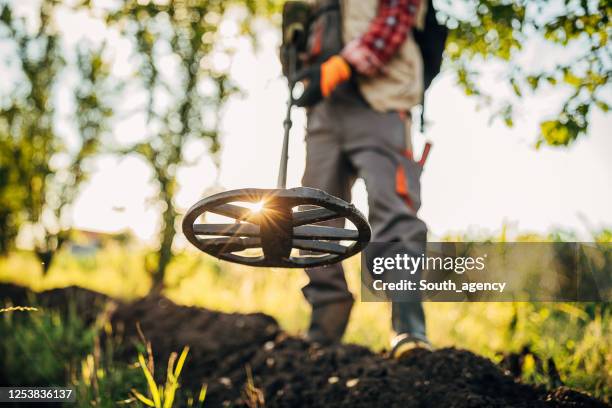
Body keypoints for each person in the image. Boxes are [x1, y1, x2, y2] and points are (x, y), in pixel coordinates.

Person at [290, 0, 433, 358]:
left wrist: (343, 65)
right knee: (312, 218)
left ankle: (408, 328)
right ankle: (323, 331)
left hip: (381, 102)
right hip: (323, 113)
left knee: (394, 213)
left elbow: (398, 17)